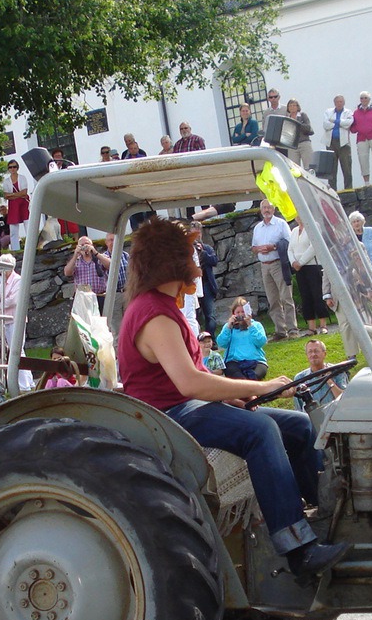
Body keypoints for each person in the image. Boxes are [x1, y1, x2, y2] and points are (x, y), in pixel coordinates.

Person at [117, 217, 350, 585]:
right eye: (190, 251)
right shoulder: (153, 314)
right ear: (170, 259)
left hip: (186, 408)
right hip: (168, 418)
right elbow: (189, 383)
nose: (196, 257)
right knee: (261, 430)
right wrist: (258, 386)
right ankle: (298, 550)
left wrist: (235, 397)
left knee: (300, 425)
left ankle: (323, 516)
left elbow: (196, 378)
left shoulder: (164, 307)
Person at [250, 200, 297, 340]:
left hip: (278, 263)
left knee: (286, 297)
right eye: (264, 208)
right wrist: (258, 249)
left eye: (269, 207)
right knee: (273, 299)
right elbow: (253, 247)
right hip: (264, 265)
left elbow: (289, 241)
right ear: (261, 210)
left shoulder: (281, 224)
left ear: (274, 209)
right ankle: (280, 331)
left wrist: (274, 247)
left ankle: (293, 329)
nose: (267, 210)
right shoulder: (257, 228)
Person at [290, 216, 332, 334]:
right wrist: (293, 262)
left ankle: (323, 325)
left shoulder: (314, 225)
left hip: (313, 265)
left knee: (317, 295)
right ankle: (311, 327)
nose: (299, 217)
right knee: (306, 297)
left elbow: (314, 246)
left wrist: (301, 262)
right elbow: (290, 249)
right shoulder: (294, 231)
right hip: (299, 269)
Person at [216, 298, 269, 380]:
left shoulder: (256, 325)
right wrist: (228, 327)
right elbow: (221, 343)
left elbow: (261, 342)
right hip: (234, 361)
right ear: (233, 314)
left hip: (256, 361)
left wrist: (250, 326)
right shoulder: (228, 327)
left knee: (255, 376)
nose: (241, 315)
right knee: (237, 376)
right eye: (238, 312)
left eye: (243, 312)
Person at [290, 339, 347, 410]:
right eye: (310, 352)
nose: (313, 354)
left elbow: (345, 401)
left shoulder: (337, 371)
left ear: (324, 354)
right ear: (307, 355)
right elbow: (299, 409)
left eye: (316, 351)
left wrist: (329, 380)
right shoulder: (300, 378)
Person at [63, 235, 113, 314]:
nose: (85, 247)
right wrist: (75, 255)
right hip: (82, 299)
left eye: (87, 244)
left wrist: (95, 253)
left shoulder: (100, 257)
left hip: (99, 297)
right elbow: (67, 273)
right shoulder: (76, 261)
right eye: (82, 245)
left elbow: (111, 266)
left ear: (92, 245)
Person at [188, 220, 219, 336]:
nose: (197, 237)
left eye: (198, 233)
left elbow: (214, 261)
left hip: (206, 285)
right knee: (194, 315)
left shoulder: (207, 248)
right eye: (194, 234)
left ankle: (211, 338)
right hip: (193, 286)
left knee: (210, 315)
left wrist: (203, 252)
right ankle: (197, 339)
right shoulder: (187, 250)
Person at [350, 91, 372, 184]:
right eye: (361, 98)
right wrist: (359, 128)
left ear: (369, 99)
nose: (363, 100)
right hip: (361, 138)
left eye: (365, 98)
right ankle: (366, 182)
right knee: (363, 159)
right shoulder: (356, 112)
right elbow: (352, 128)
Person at [322, 95, 354, 190]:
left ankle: (348, 189)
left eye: (341, 102)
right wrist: (340, 123)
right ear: (334, 103)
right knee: (331, 168)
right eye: (337, 102)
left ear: (344, 103)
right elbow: (326, 125)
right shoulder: (328, 112)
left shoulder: (348, 112)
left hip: (344, 143)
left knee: (346, 167)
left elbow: (349, 123)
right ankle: (332, 191)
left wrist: (335, 121)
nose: (339, 103)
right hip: (331, 143)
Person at [1, 162, 30, 251]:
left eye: (14, 167)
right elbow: (6, 195)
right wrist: (18, 194)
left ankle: (31, 246)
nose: (12, 169)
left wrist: (12, 195)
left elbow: (24, 192)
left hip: (23, 203)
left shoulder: (22, 178)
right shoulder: (6, 181)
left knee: (28, 225)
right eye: (10, 167)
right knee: (13, 228)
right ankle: (15, 249)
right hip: (13, 205)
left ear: (17, 168)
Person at [283, 100, 315, 169]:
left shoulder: (302, 115)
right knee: (294, 167)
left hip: (304, 143)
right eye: (290, 106)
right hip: (292, 145)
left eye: (294, 105)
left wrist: (297, 123)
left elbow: (308, 127)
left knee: (309, 165)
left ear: (297, 107)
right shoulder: (287, 118)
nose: (292, 107)